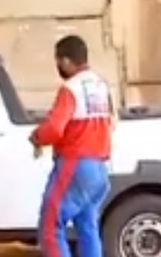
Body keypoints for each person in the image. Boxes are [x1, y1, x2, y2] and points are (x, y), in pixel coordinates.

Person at [30, 35, 114, 257]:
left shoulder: (70, 88)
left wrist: (37, 137)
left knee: (50, 226)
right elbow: (112, 122)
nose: (58, 66)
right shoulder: (102, 86)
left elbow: (55, 129)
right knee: (87, 226)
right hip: (99, 167)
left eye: (58, 61)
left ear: (66, 61)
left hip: (75, 165)